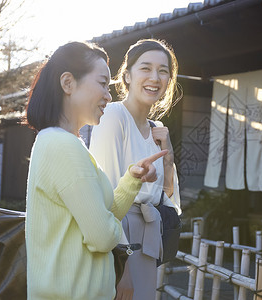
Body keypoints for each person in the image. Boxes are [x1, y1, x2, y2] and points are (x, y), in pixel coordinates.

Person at [24, 41, 167, 300]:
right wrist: (117, 231)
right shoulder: (62, 145)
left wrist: (131, 180)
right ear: (68, 83)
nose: (108, 95)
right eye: (102, 83)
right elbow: (101, 237)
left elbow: (104, 215)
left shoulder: (66, 142)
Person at [89, 38, 182, 300]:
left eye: (163, 71)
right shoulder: (113, 116)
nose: (155, 77)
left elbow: (167, 199)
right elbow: (104, 197)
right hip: (120, 244)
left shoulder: (157, 128)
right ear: (126, 76)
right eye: (146, 68)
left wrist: (168, 158)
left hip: (148, 241)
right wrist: (122, 269)